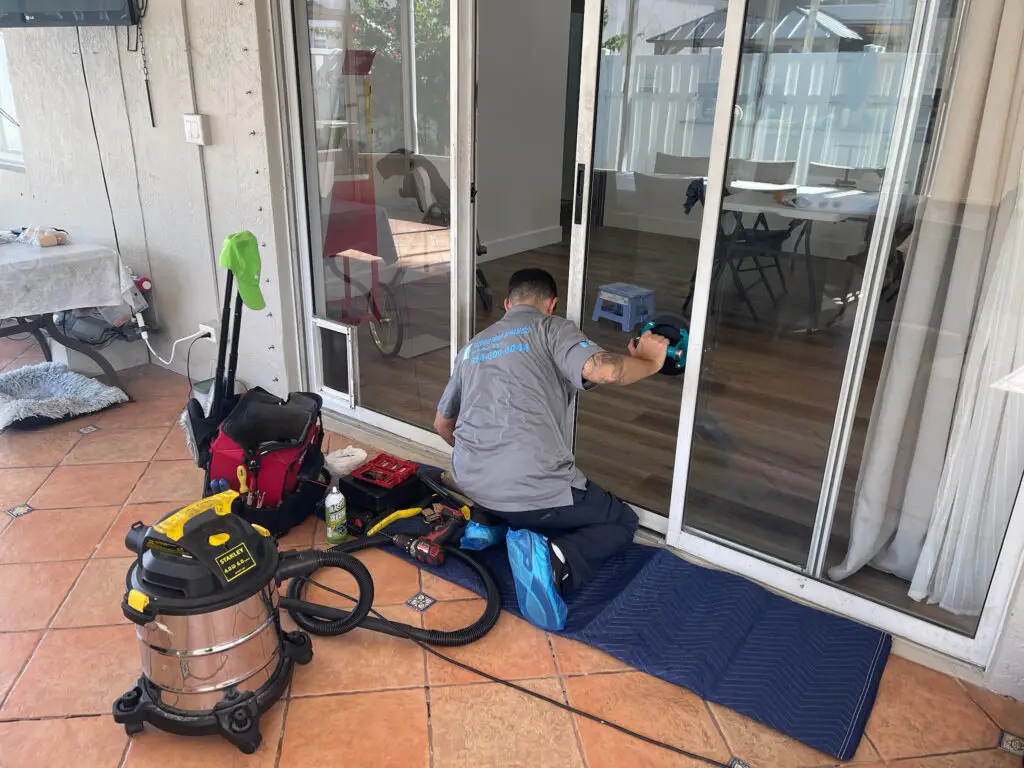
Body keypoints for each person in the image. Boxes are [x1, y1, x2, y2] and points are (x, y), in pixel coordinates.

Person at [434, 268, 669, 630]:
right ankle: (556, 561)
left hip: (470, 480)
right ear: (551, 305)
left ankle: (486, 522)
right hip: (533, 489)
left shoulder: (472, 348)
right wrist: (651, 361)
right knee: (622, 521)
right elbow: (603, 371)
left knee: (506, 480)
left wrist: (482, 459)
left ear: (508, 304)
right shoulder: (551, 328)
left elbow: (442, 425)